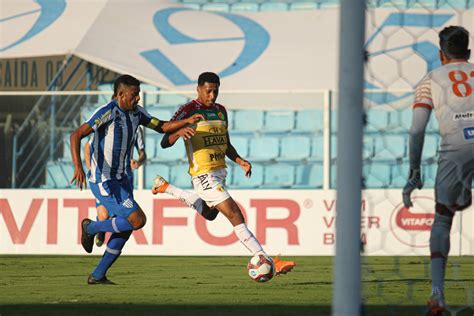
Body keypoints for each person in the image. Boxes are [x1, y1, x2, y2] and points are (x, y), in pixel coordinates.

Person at [151, 72, 296, 275]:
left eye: (216, 91)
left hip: (219, 172)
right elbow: (165, 141)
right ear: (199, 89)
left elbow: (225, 143)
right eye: (208, 91)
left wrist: (239, 161)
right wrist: (179, 132)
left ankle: (167, 188)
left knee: (210, 214)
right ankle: (267, 259)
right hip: (203, 174)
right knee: (235, 214)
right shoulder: (188, 110)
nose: (212, 95)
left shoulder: (221, 111)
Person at [70, 74, 203, 284]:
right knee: (137, 220)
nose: (138, 98)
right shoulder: (107, 112)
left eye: (138, 94)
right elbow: (76, 135)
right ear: (121, 95)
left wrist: (185, 121)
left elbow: (161, 126)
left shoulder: (137, 113)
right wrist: (78, 165)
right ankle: (91, 228)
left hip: (122, 179)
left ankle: (98, 275)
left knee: (128, 226)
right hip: (103, 180)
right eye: (134, 95)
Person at [402, 26, 473, 315]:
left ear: (441, 54)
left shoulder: (429, 79)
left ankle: (437, 297)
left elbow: (417, 130)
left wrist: (414, 173)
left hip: (455, 149)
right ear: (468, 52)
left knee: (443, 218)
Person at [84, 126, 147, 247]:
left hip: (125, 178)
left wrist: (138, 161)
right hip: (103, 177)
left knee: (126, 217)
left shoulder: (136, 128)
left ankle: (101, 232)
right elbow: (87, 146)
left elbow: (142, 153)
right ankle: (97, 228)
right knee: (103, 216)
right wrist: (89, 168)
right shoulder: (106, 124)